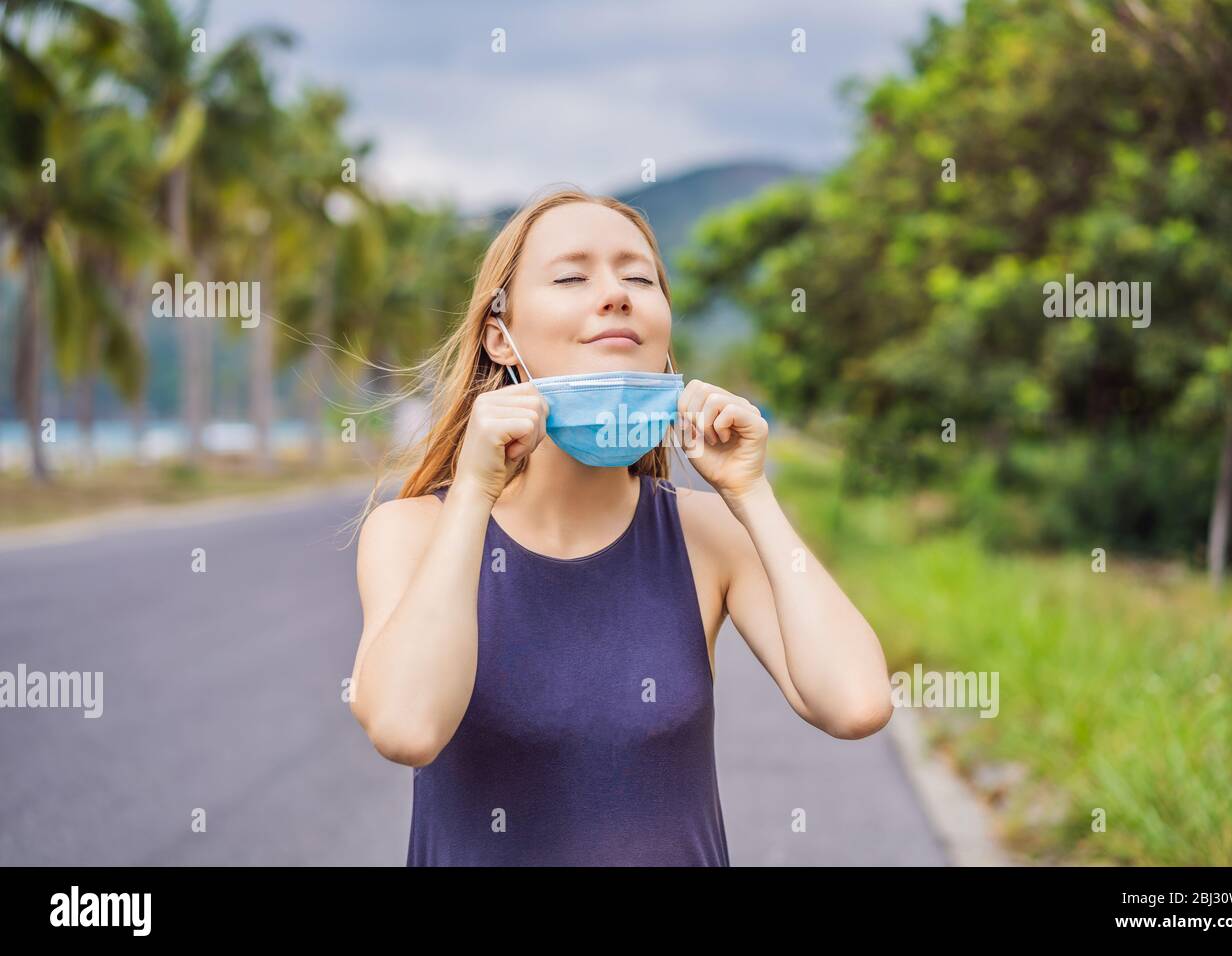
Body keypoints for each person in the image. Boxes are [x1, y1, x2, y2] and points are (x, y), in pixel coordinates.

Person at [348, 186, 894, 866]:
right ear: (499, 334)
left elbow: (857, 703)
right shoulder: (411, 532)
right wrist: (474, 493)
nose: (616, 294)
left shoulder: (706, 535)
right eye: (572, 276)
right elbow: (407, 726)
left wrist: (751, 494)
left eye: (639, 277)